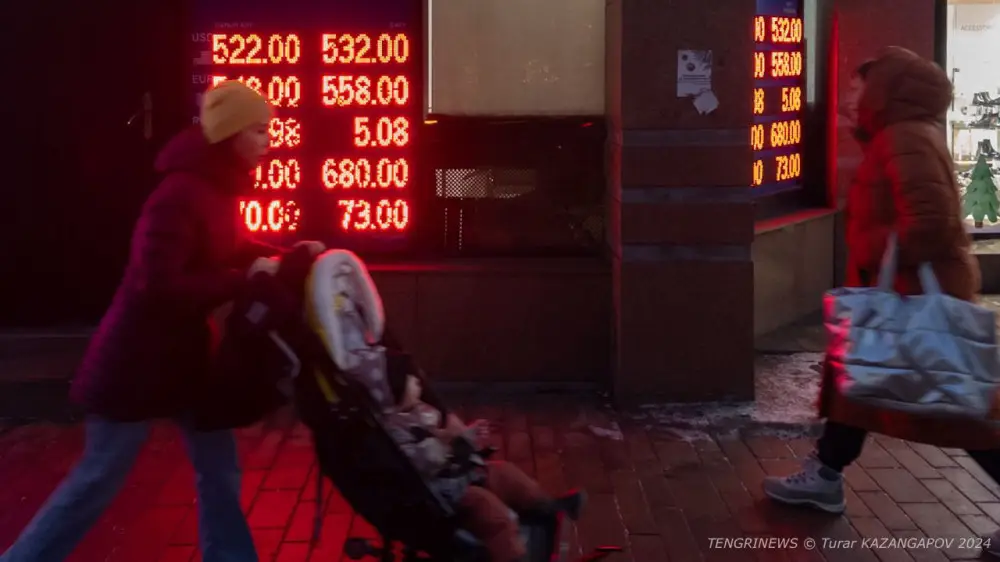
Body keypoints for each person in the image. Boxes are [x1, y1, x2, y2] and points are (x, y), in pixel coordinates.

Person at [0, 81, 324, 562]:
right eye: (259, 130)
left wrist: (285, 256)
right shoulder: (179, 196)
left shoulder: (214, 188)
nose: (268, 142)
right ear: (231, 134)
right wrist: (243, 280)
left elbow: (231, 250)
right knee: (98, 477)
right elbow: (157, 284)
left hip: (185, 360)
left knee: (218, 467)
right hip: (136, 364)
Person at [763, 47, 1000, 553]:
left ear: (882, 90)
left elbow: (931, 225)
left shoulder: (904, 138)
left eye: (856, 87)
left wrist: (873, 248)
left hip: (915, 299)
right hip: (894, 294)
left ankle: (825, 474)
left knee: (957, 407)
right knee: (857, 382)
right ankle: (825, 472)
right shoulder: (904, 134)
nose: (848, 97)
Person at [384, 372, 585, 562]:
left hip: (460, 472)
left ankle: (548, 506)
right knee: (493, 514)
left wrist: (466, 435)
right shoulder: (395, 433)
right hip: (445, 494)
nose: (417, 382)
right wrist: (450, 441)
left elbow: (445, 439)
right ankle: (512, 556)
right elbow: (426, 459)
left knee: (505, 473)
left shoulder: (416, 414)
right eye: (411, 380)